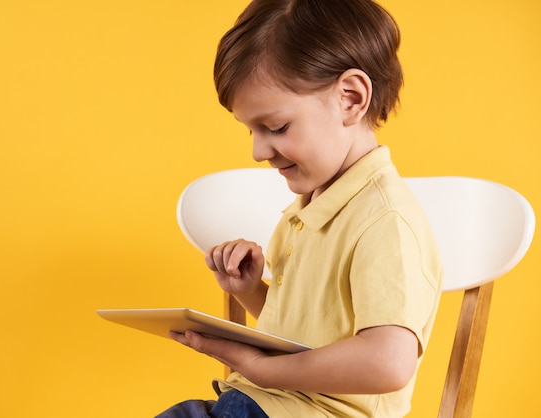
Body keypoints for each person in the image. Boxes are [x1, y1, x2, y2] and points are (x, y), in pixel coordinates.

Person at [157, 0, 442, 416]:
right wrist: (253, 291)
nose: (257, 151)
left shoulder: (385, 220)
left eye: (275, 127)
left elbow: (389, 361)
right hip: (267, 405)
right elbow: (314, 331)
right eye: (251, 130)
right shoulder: (308, 210)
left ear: (350, 98)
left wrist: (268, 372)